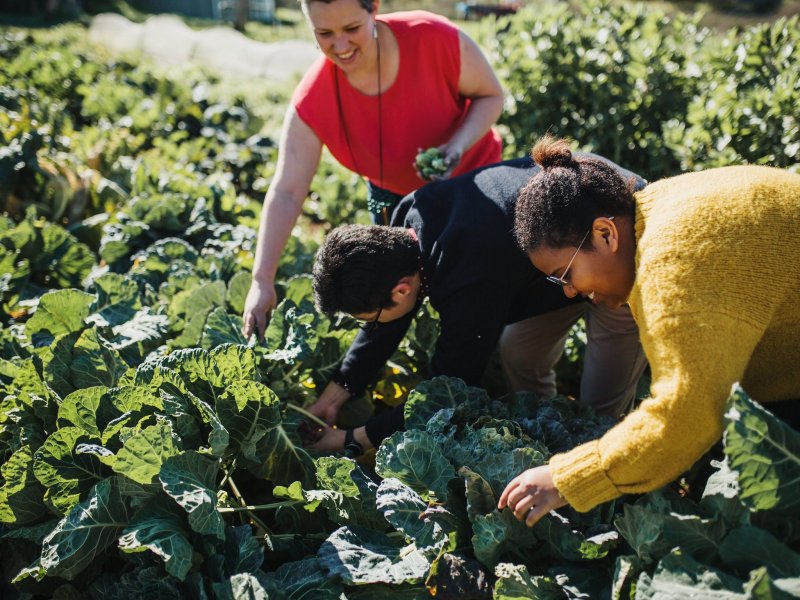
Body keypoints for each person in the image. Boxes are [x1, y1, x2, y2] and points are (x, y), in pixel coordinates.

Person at [499, 136, 800, 527]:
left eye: (565, 275)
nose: (570, 292)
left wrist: (564, 479)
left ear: (606, 234)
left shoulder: (674, 267)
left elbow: (686, 415)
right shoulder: (658, 212)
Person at [306, 155, 648, 454]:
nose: (376, 324)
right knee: (519, 353)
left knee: (598, 411)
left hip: (606, 249)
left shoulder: (468, 276)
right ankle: (554, 438)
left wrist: (354, 438)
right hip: (550, 268)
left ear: (401, 289)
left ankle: (603, 463)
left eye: (373, 317)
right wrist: (338, 392)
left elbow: (448, 388)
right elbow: (388, 318)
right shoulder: (405, 224)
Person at [242, 0, 504, 340]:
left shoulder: (433, 38)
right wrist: (261, 280)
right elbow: (288, 192)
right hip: (393, 198)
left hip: (473, 184)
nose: (340, 46)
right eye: (324, 33)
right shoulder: (313, 99)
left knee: (473, 294)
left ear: (374, 8)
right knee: (392, 297)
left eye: (351, 29)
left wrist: (457, 145)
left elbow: (491, 95)